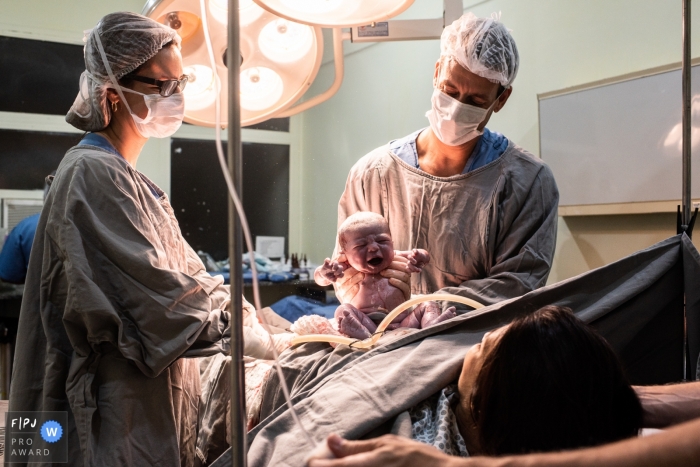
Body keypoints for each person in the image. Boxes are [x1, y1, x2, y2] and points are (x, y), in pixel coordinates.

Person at [7, 12, 284, 467]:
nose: (177, 98)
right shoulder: (91, 174)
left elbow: (192, 278)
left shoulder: (129, 180)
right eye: (162, 86)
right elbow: (160, 305)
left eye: (182, 82)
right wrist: (253, 340)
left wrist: (266, 322)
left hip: (137, 410)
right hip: (103, 416)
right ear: (111, 93)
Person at [334, 13, 558, 311]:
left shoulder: (527, 182)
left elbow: (518, 284)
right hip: (382, 343)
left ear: (501, 99)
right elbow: (346, 271)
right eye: (450, 91)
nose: (455, 110)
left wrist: (433, 311)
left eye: (476, 102)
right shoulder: (372, 174)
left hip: (473, 346)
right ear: (437, 71)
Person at [315, 212, 454, 339]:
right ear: (344, 254)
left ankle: (432, 325)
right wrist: (324, 273)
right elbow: (320, 279)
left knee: (428, 303)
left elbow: (424, 255)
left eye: (382, 241)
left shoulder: (396, 257)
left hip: (403, 322)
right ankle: (360, 333)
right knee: (342, 310)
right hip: (366, 321)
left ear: (392, 243)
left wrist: (419, 257)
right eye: (361, 245)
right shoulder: (343, 266)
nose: (374, 247)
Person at [0, 177, 53, 284]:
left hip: (40, 297)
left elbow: (8, 275)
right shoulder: (92, 227)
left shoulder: (26, 227)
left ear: (45, 195)